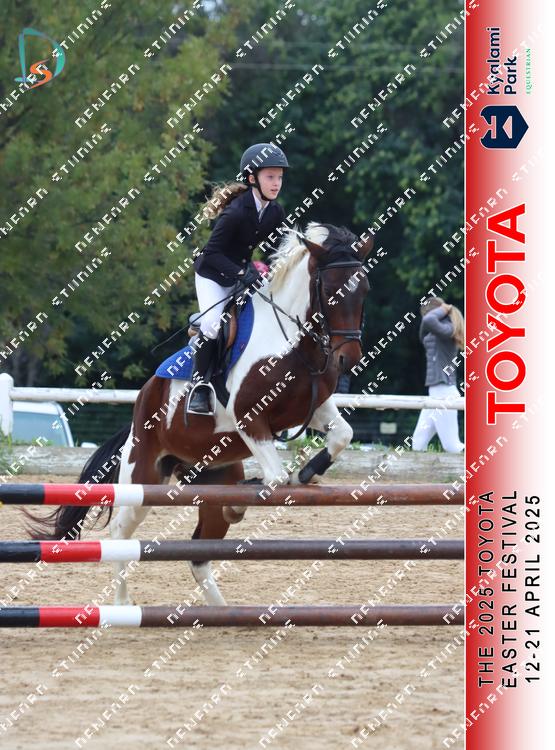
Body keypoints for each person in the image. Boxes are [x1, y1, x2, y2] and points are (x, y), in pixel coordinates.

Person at [187, 143, 288, 415]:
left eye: (279, 177)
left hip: (241, 274)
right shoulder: (235, 212)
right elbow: (211, 254)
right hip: (212, 275)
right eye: (270, 177)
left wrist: (271, 269)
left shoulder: (274, 212)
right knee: (212, 325)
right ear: (252, 178)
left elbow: (278, 250)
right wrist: (243, 273)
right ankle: (199, 387)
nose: (276, 183)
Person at [411, 297, 465, 453]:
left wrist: (443, 308)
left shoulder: (448, 329)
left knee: (452, 446)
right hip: (435, 393)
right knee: (418, 444)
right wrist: (442, 310)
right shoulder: (436, 332)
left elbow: (428, 320)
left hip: (444, 392)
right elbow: (425, 328)